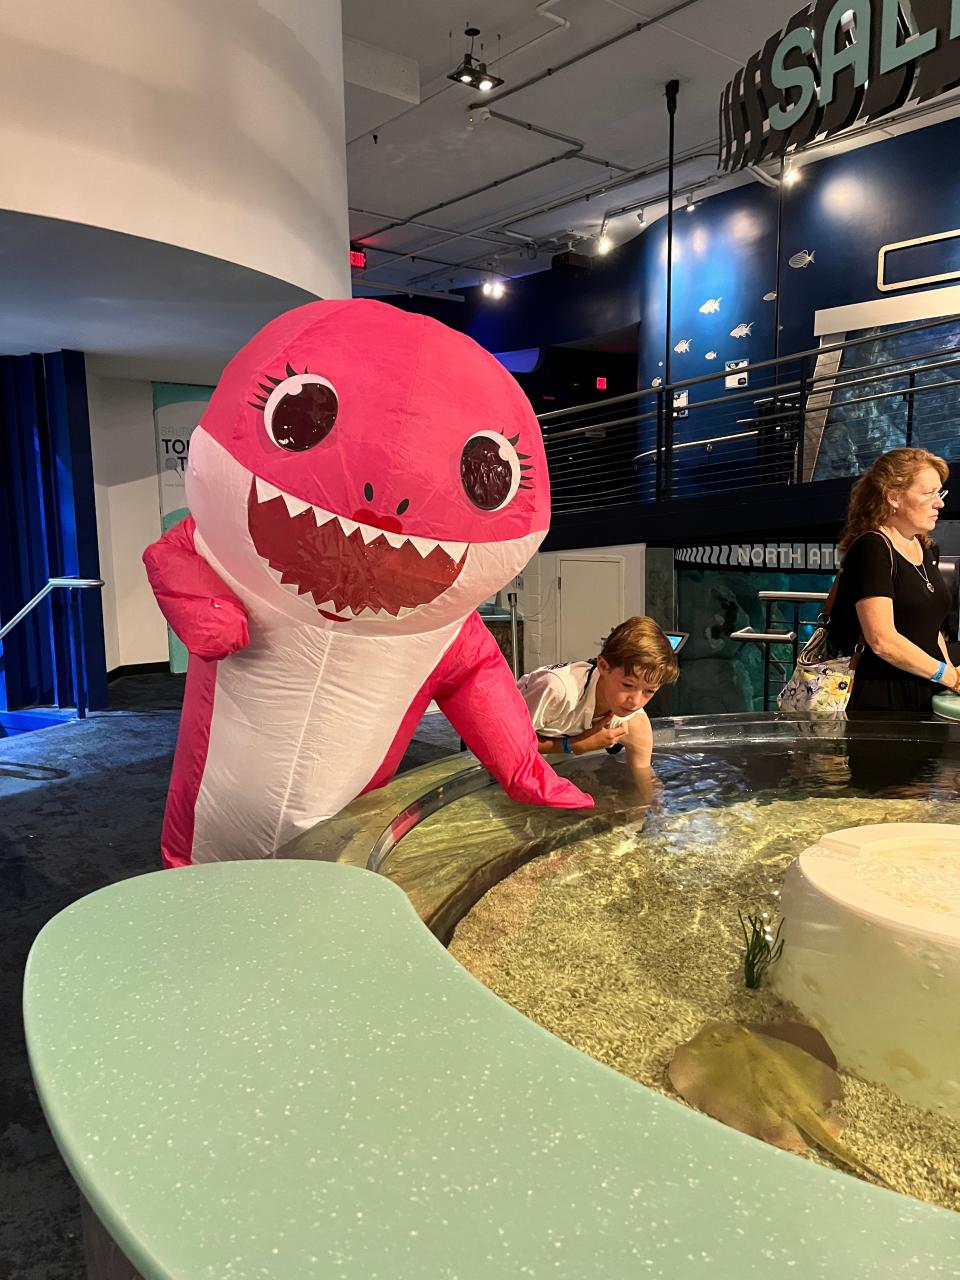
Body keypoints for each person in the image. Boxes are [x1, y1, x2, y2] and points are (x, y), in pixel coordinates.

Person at [828, 447, 959, 718]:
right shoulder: (872, 548)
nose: (940, 503)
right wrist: (946, 675)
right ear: (894, 497)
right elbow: (881, 640)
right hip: (880, 701)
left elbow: (930, 626)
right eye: (928, 493)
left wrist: (950, 675)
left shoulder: (926, 549)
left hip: (924, 691)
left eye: (940, 492)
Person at [517, 616, 679, 788]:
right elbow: (504, 743)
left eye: (649, 691)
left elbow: (647, 789)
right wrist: (573, 745)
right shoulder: (557, 690)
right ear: (603, 666)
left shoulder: (634, 724)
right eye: (627, 685)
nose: (635, 702)